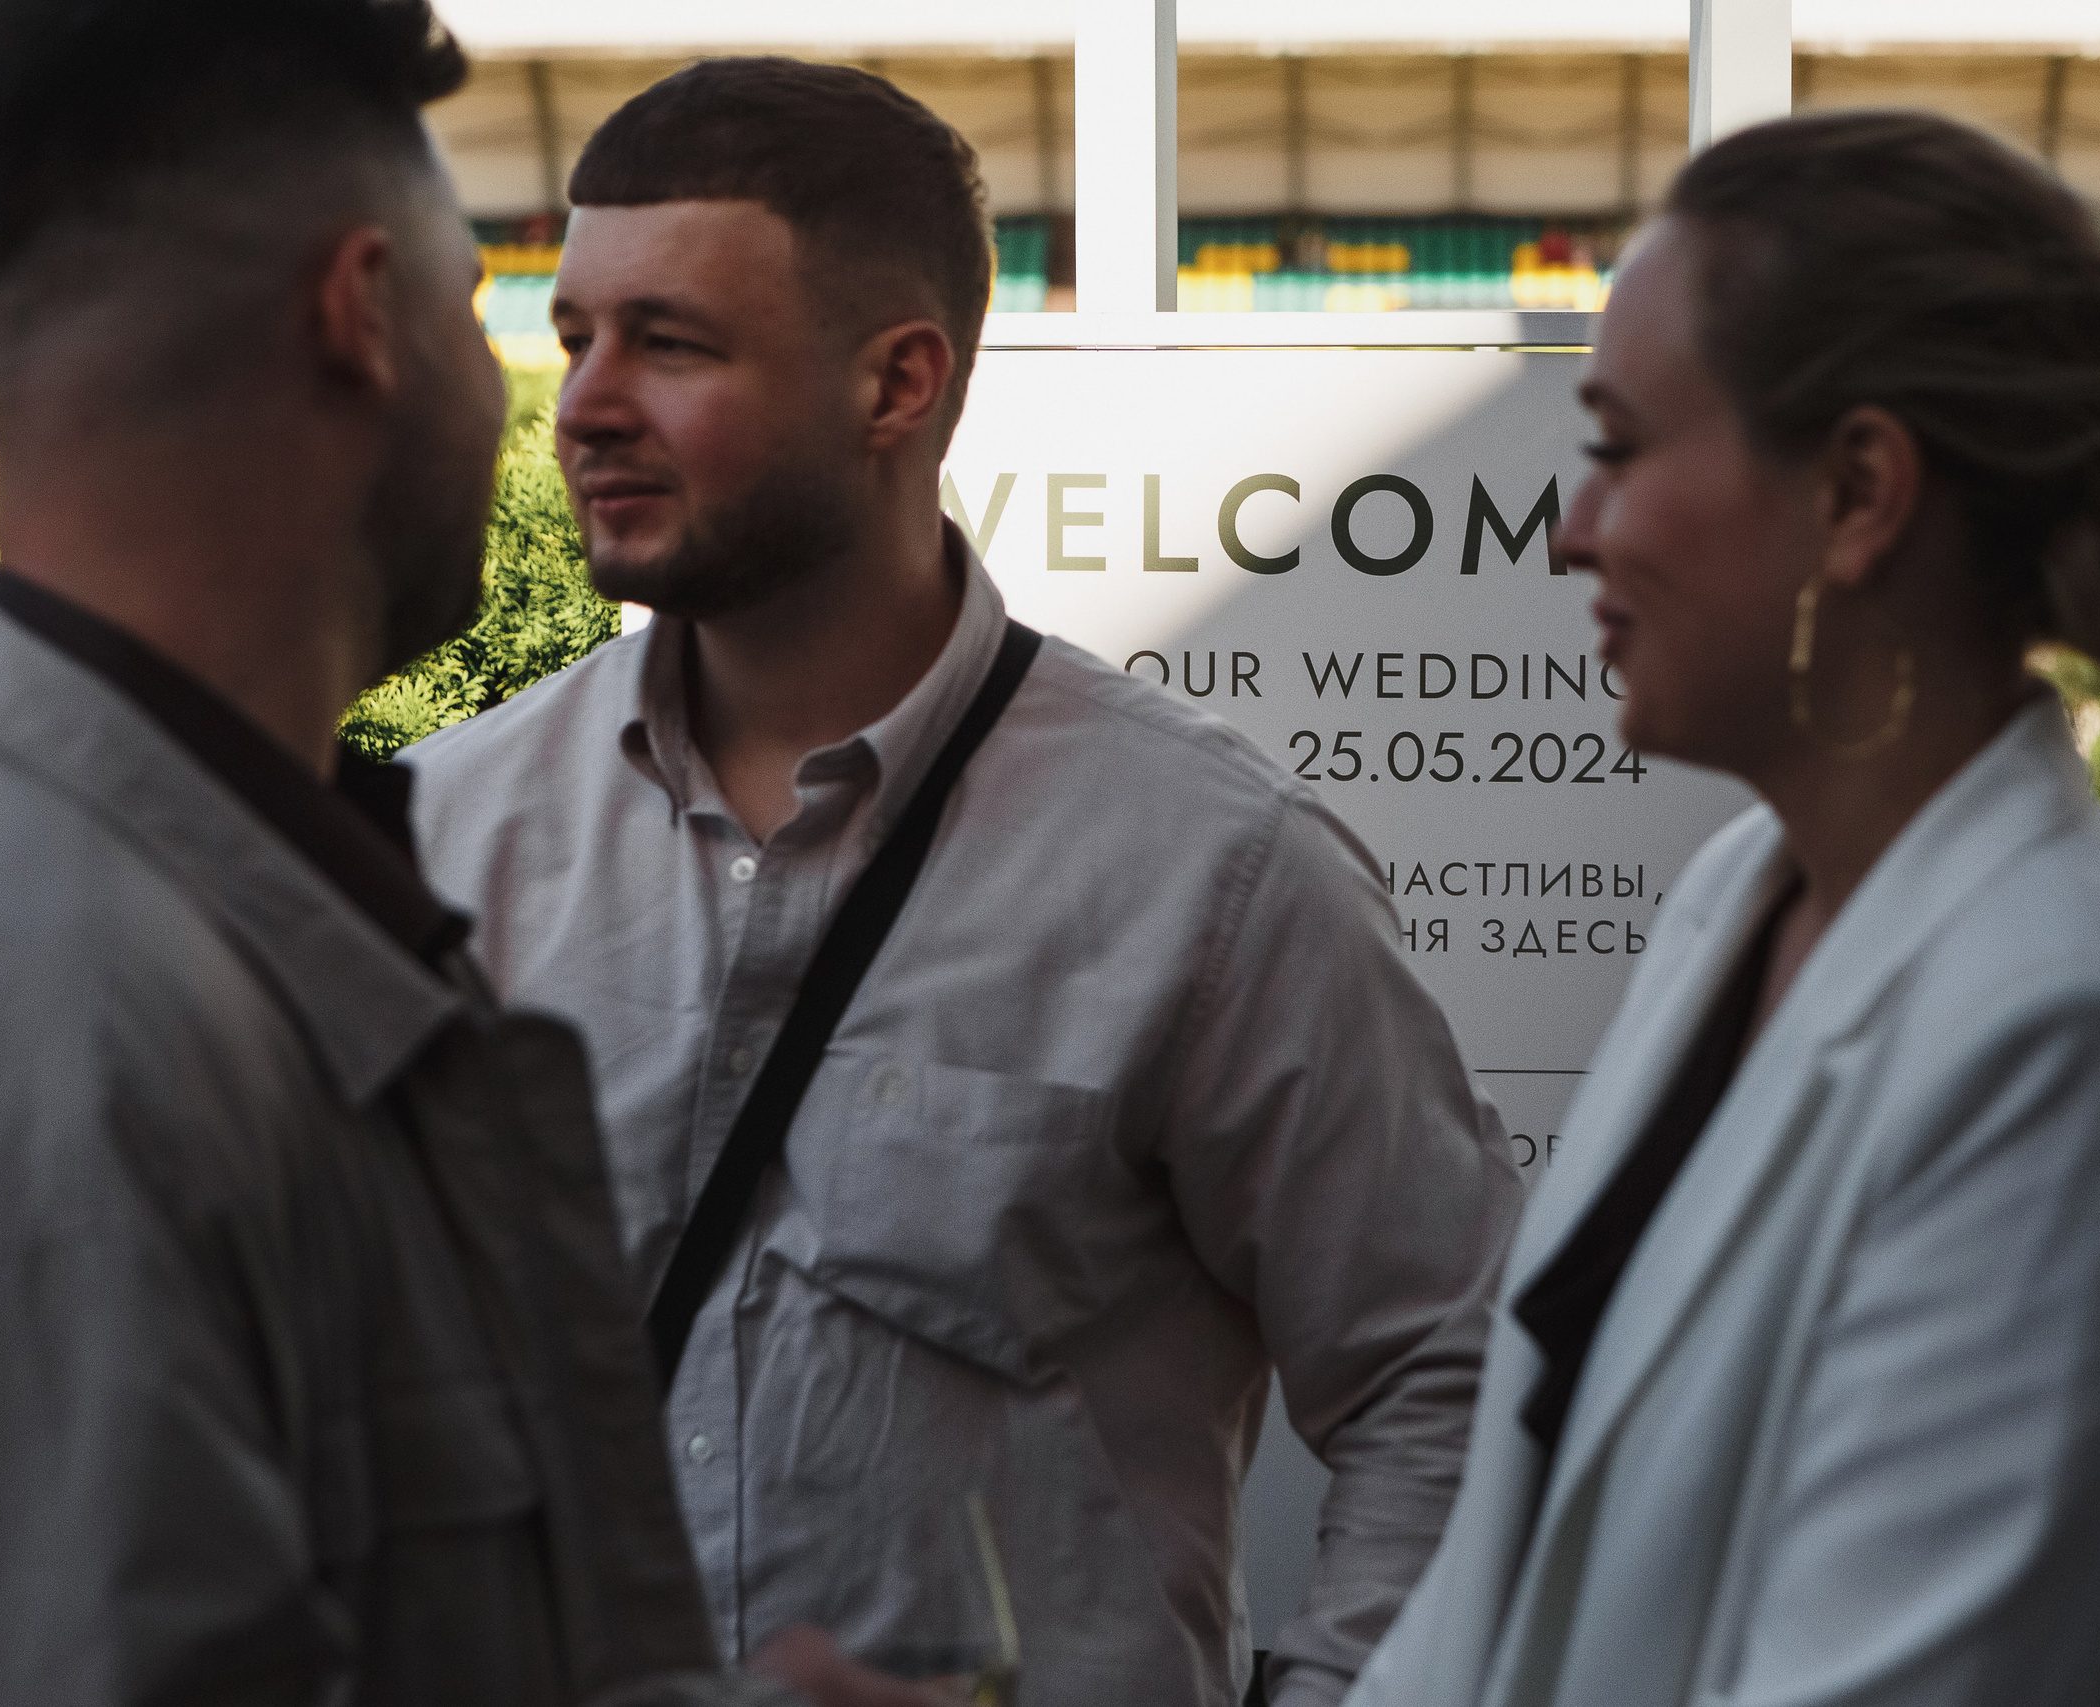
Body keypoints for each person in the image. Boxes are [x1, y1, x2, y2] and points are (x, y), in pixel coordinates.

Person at [403, 57, 1523, 1707]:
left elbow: (1451, 1369)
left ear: (898, 383)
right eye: (575, 337)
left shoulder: (1209, 868)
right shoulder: (446, 834)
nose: (584, 403)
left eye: (675, 343)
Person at [1345, 110, 2100, 1707]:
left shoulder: (2072, 1035)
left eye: (1623, 445)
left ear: (1859, 490)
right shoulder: (1738, 900)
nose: (1572, 525)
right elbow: (1495, 1602)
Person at [0, 3, 723, 1702]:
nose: (529, 405)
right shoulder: (58, 1019)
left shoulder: (207, 916)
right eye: (487, 315)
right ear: (361, 317)